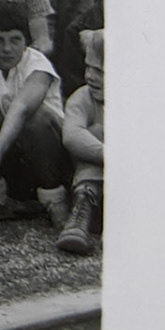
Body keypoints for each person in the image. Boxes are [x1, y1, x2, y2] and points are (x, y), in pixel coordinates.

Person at [0, 0, 69, 226]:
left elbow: (22, 108)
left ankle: (54, 198)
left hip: (49, 156)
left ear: (26, 40)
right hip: (7, 159)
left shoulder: (38, 63)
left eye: (15, 40)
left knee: (37, 119)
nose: (7, 48)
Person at [57, 26, 104, 256]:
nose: (90, 77)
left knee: (100, 133)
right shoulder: (83, 97)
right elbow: (72, 136)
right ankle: (82, 209)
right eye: (88, 68)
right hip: (87, 186)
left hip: (130, 186)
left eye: (101, 71)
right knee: (93, 134)